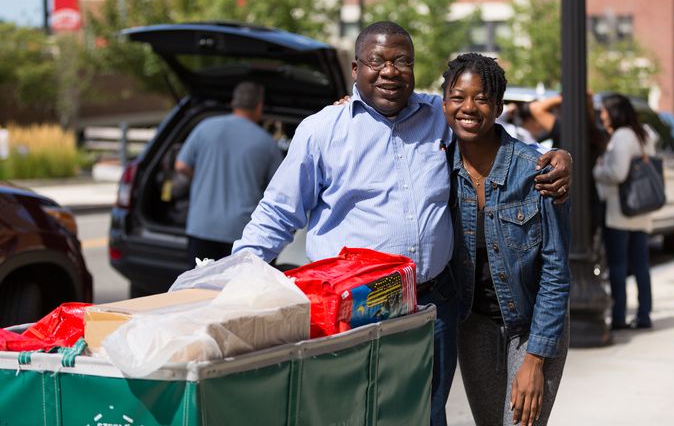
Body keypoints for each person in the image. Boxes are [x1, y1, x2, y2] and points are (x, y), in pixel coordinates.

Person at [231, 21, 572, 426]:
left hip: (432, 307)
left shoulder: (436, 114)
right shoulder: (322, 130)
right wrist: (238, 279)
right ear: (355, 69)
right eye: (376, 61)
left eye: (402, 61)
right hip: (353, 314)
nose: (390, 71)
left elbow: (494, 135)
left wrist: (557, 156)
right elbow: (277, 212)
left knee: (427, 415)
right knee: (354, 416)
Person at [442, 53, 570, 426]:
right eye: (458, 97)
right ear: (444, 103)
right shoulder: (436, 166)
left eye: (481, 98)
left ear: (499, 106)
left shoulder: (537, 171)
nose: (469, 107)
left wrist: (535, 359)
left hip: (532, 326)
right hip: (474, 325)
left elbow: (557, 270)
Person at [175, 81, 283, 266]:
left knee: (198, 290)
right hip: (241, 233)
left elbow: (180, 165)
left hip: (201, 227)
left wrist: (202, 179)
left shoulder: (205, 127)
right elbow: (279, 189)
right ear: (259, 106)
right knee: (236, 291)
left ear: (234, 102)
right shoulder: (267, 144)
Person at [593, 93, 657, 330]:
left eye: (604, 112)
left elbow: (617, 173)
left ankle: (618, 317)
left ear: (614, 113)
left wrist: (597, 170)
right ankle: (644, 315)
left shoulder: (621, 136)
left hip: (620, 213)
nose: (602, 116)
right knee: (641, 266)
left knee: (618, 266)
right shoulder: (644, 134)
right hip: (640, 209)